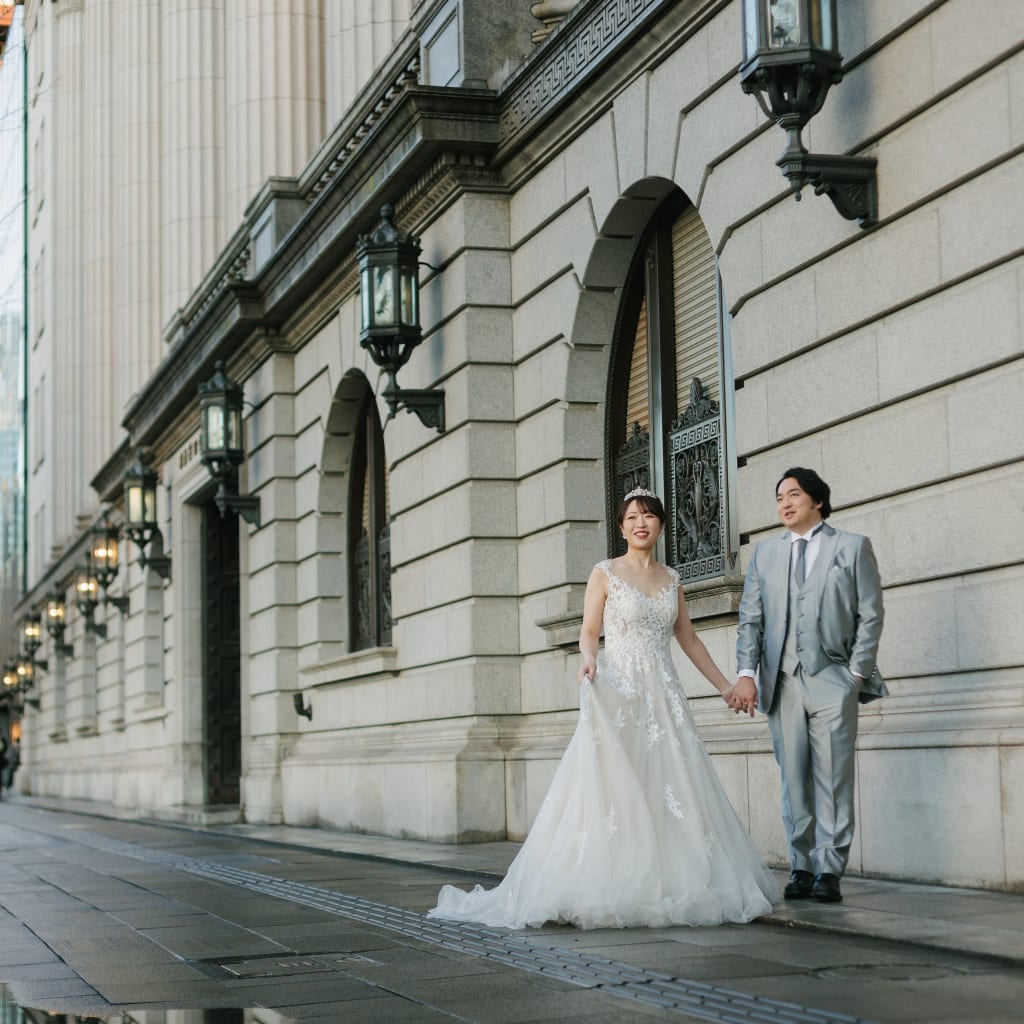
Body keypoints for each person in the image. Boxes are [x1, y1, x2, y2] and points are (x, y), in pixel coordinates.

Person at [430, 488, 777, 929]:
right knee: (617, 788)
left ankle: (673, 876)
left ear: (661, 525)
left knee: (670, 785)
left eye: (649, 516)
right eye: (632, 517)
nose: (640, 523)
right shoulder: (605, 573)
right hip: (619, 690)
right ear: (621, 527)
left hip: (663, 696)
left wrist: (726, 685)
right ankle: (609, 878)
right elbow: (589, 630)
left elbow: (688, 640)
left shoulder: (672, 580)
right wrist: (589, 657)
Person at [730, 468, 885, 905]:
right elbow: (751, 620)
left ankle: (829, 870)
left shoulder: (851, 547)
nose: (784, 503)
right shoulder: (765, 555)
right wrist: (746, 672)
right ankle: (801, 866)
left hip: (833, 680)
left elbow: (870, 614)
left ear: (817, 500)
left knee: (833, 777)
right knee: (793, 779)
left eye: (793, 494)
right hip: (782, 682)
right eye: (779, 496)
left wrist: (855, 675)